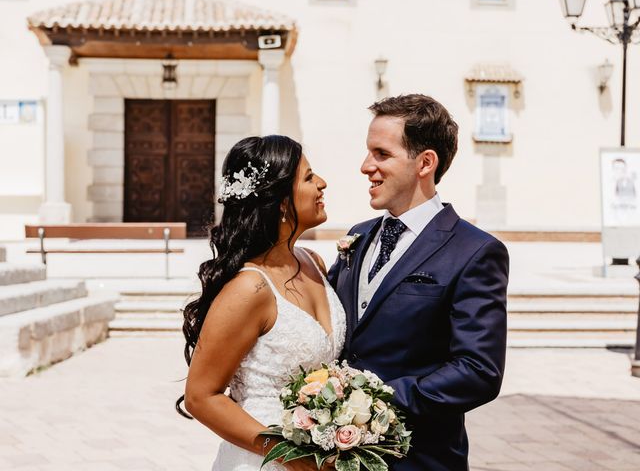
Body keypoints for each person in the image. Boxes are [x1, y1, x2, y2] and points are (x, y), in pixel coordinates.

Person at [328, 94, 509, 471]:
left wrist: (375, 401)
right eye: (368, 152)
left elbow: (478, 371)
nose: (366, 166)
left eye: (381, 154)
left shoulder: (474, 251)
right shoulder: (357, 238)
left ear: (425, 162)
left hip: (418, 457)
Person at [177, 135, 345, 470]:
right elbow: (201, 397)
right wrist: (289, 454)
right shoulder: (249, 289)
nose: (322, 183)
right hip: (263, 460)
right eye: (309, 177)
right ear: (282, 201)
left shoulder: (314, 263)